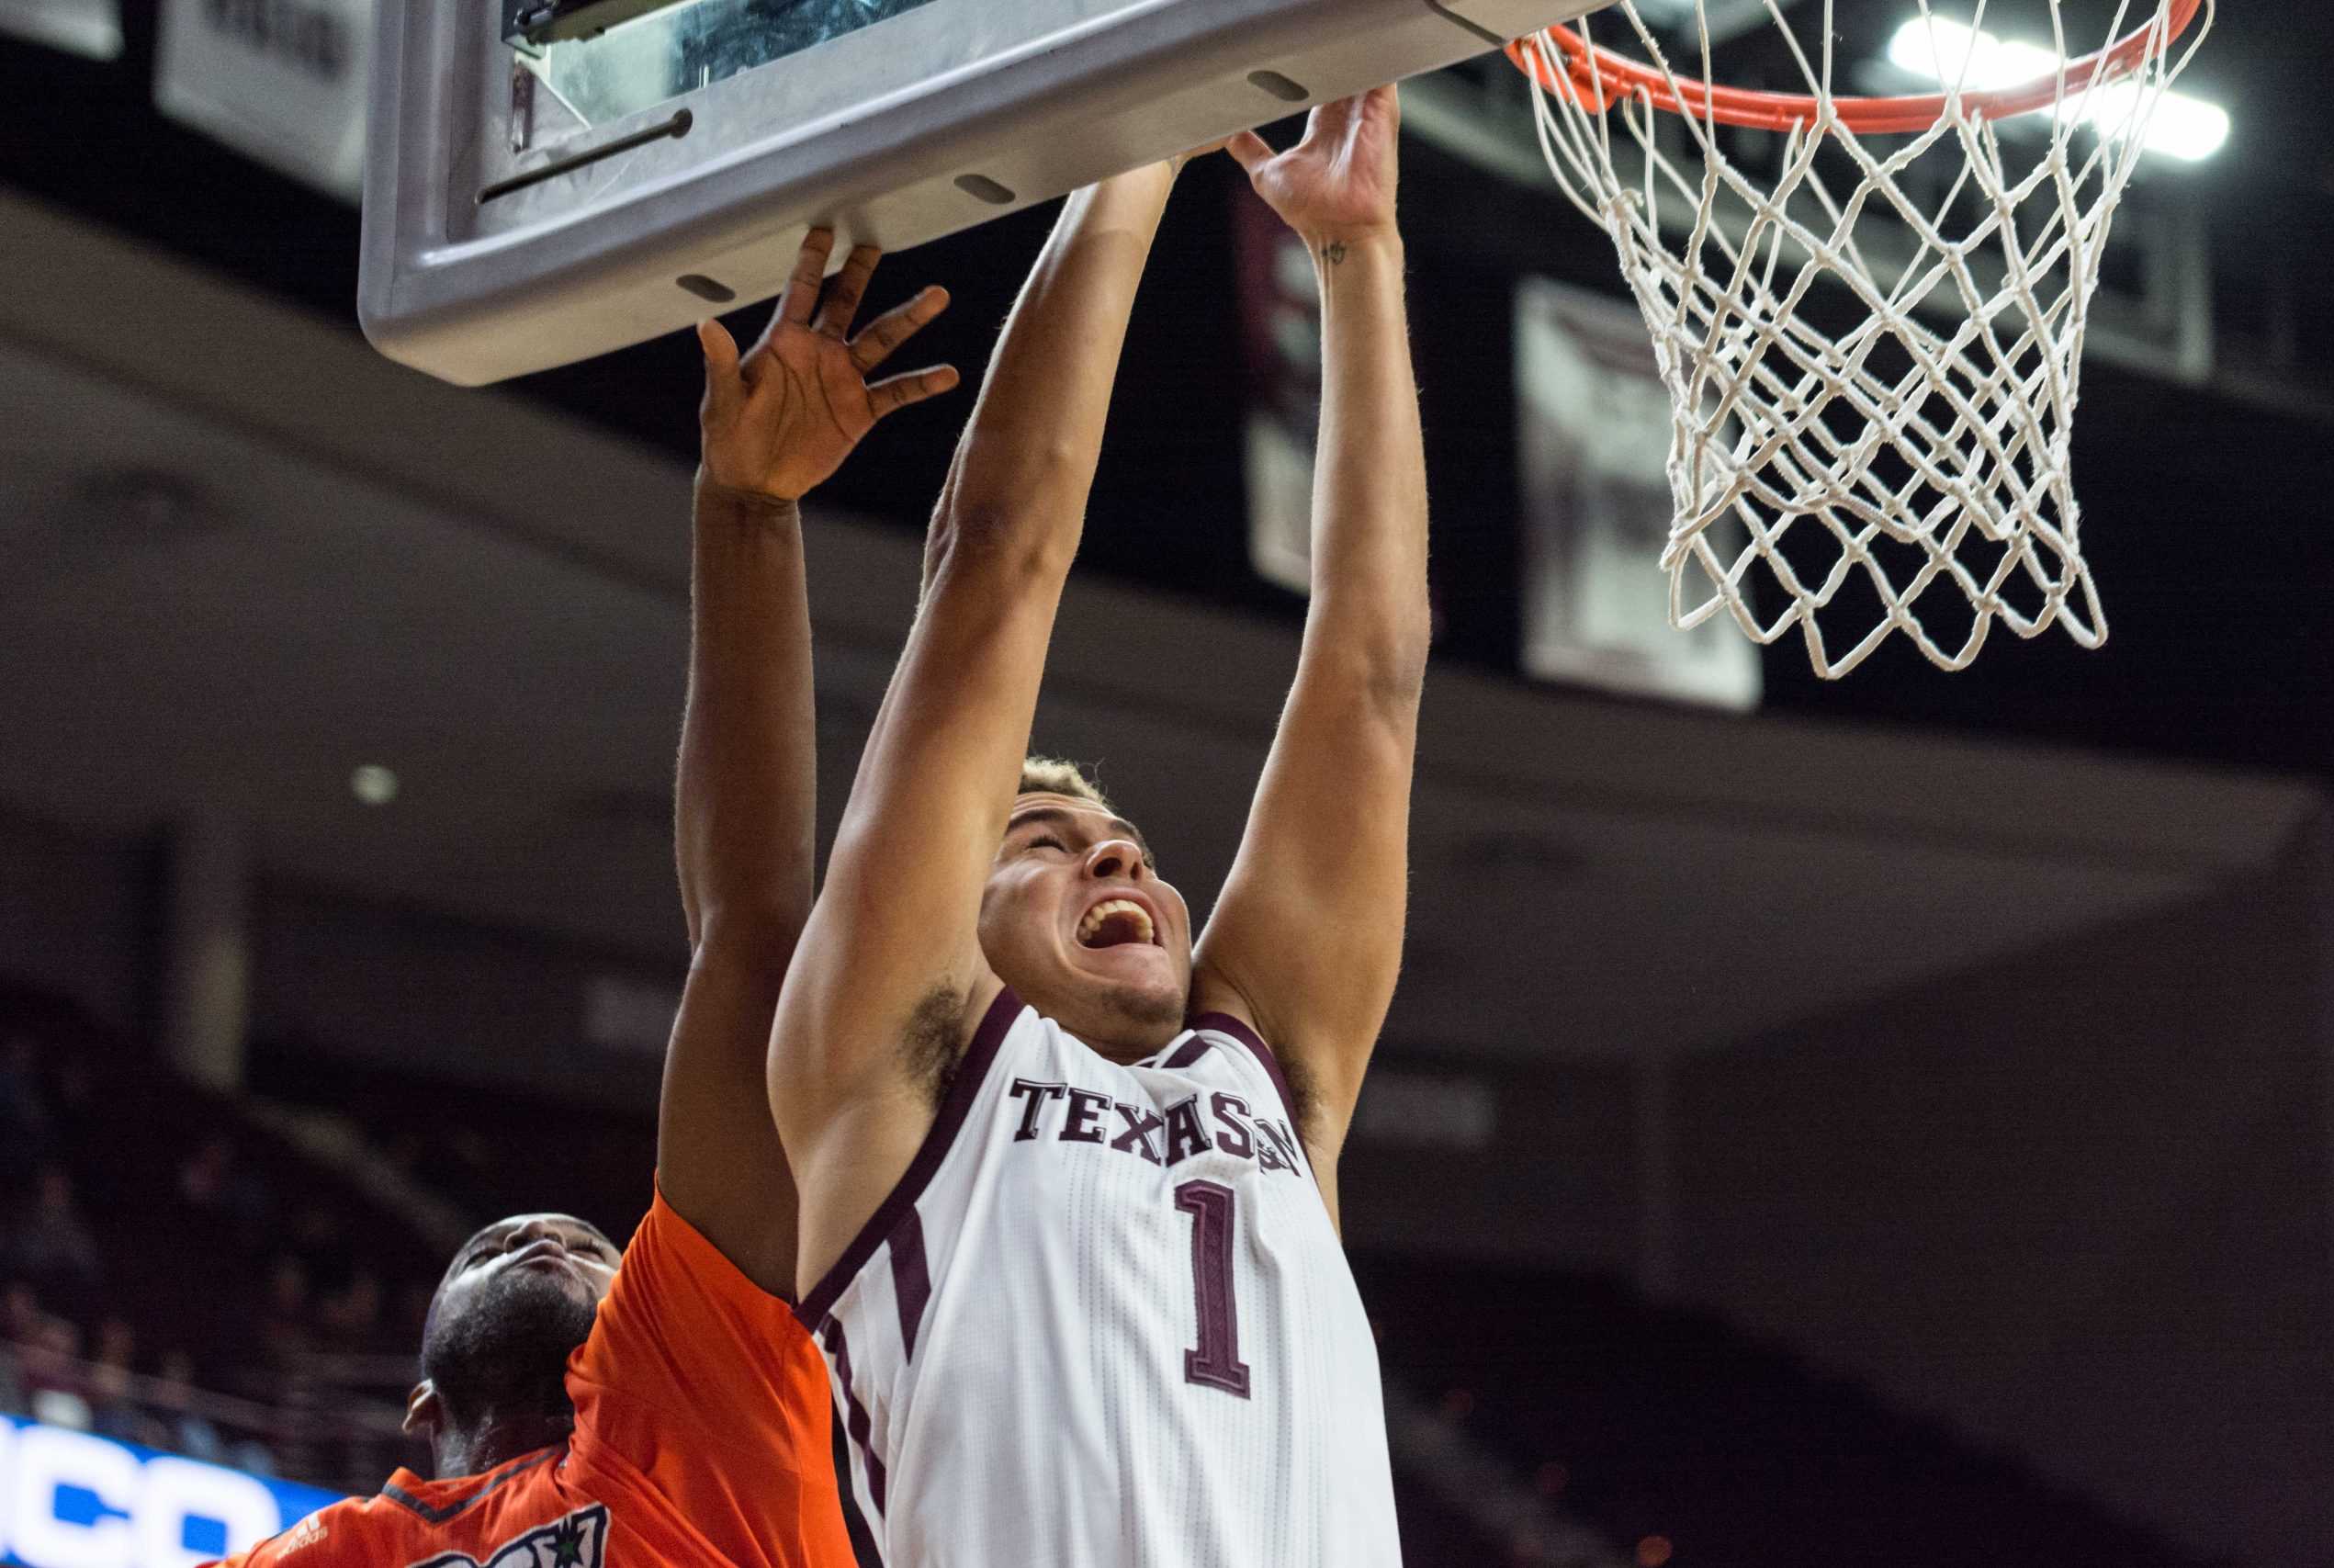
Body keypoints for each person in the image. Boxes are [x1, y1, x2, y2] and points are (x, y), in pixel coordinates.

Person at [211, 231, 959, 1568]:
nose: (546, 1228)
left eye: (589, 1249)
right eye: (515, 1241)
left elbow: (750, 939)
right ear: (422, 1410)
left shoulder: (696, 1406)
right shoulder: (318, 1557)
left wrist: (746, 510)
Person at [770, 89, 1426, 1565]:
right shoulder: (899, 1075)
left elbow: (1371, 684)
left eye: (1120, 837)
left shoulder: (1275, 1076)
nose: (1116, 854)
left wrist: (1358, 258)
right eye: (1044, 838)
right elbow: (995, 562)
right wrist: (1143, 118)